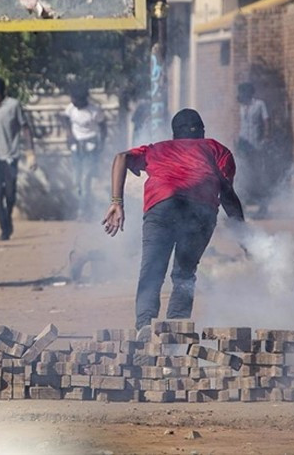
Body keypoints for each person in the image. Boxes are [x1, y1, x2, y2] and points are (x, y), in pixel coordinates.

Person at [101, 109, 245, 333]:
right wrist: (243, 236)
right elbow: (227, 194)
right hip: (201, 211)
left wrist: (116, 202)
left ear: (174, 134)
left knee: (152, 270)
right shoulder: (217, 149)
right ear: (202, 131)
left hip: (162, 206)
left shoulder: (158, 148)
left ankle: (144, 327)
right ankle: (177, 329)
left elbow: (121, 157)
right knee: (184, 273)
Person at [0, 77, 36, 241]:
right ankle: (5, 228)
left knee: (10, 194)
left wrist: (30, 152)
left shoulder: (13, 105)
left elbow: (25, 128)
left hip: (10, 157)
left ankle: (8, 216)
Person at [60, 84, 106, 207]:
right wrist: (69, 134)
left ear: (82, 99)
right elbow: (65, 119)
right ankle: (80, 205)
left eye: (75, 99)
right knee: (76, 180)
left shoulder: (94, 111)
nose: (72, 101)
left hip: (90, 148)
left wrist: (101, 144)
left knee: (86, 179)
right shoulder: (71, 108)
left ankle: (84, 209)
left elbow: (103, 127)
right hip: (76, 148)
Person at [236, 82, 270, 217]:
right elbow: (240, 124)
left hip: (256, 145)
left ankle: (263, 206)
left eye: (242, 92)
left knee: (258, 175)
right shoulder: (241, 107)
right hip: (243, 145)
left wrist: (266, 137)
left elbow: (266, 121)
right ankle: (242, 204)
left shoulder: (259, 105)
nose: (240, 95)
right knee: (242, 175)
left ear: (248, 93)